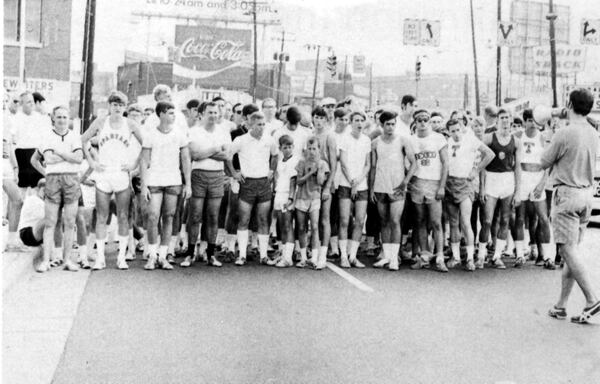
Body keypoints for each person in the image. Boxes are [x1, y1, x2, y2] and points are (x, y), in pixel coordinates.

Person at [544, 89, 600, 324]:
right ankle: (561, 305)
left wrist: (550, 133)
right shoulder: (593, 132)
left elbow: (543, 162)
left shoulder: (564, 133)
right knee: (572, 251)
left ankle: (592, 299)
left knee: (567, 250)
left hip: (566, 193)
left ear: (569, 104)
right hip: (586, 194)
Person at [81, 91, 143, 270]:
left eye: (120, 105)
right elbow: (82, 140)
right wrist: (92, 161)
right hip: (104, 173)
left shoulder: (130, 124)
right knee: (101, 216)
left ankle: (121, 257)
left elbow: (146, 145)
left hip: (121, 174)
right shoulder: (101, 122)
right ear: (109, 106)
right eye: (114, 104)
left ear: (124, 107)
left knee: (124, 216)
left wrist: (135, 166)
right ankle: (100, 258)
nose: (117, 108)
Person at [30, 105, 84, 272]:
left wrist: (60, 153)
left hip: (71, 179)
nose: (62, 120)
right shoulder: (46, 136)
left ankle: (67, 260)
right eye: (59, 117)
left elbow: (78, 158)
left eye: (64, 117)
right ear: (53, 118)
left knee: (69, 222)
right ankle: (46, 260)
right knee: (50, 222)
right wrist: (46, 171)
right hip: (53, 179)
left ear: (69, 119)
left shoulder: (74, 136)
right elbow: (45, 159)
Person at [140, 101, 191, 270]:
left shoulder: (179, 134)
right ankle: (152, 255)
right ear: (161, 114)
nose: (173, 116)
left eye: (173, 113)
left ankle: (163, 256)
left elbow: (185, 160)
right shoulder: (150, 135)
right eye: (169, 113)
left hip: (173, 180)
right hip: (154, 180)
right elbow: (144, 160)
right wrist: (144, 185)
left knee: (169, 217)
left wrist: (188, 184)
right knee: (153, 216)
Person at [182, 102, 231, 268]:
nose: (213, 116)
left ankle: (210, 254)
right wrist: (215, 149)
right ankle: (190, 253)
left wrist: (207, 153)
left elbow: (226, 156)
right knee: (195, 215)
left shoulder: (223, 132)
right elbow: (194, 155)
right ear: (202, 114)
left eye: (216, 113)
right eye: (210, 112)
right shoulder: (194, 131)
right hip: (199, 175)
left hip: (217, 176)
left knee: (213, 216)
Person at [369, 111, 417, 270]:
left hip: (397, 188)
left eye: (393, 124)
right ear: (381, 125)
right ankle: (386, 256)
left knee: (395, 221)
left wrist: (405, 182)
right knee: (383, 222)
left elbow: (413, 163)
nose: (391, 127)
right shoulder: (375, 142)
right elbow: (373, 167)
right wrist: (371, 190)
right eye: (387, 124)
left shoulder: (403, 140)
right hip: (380, 187)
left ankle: (394, 259)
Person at [445, 119, 494, 271]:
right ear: (449, 132)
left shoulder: (470, 140)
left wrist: (476, 170)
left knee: (465, 222)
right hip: (450, 182)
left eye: (457, 130)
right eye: (452, 131)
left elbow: (489, 154)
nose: (455, 133)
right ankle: (456, 256)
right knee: (453, 222)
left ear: (463, 128)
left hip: (465, 183)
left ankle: (471, 258)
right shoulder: (447, 142)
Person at [230, 111, 278, 265]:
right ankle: (242, 255)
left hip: (263, 183)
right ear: (250, 124)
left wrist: (271, 170)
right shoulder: (240, 140)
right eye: (258, 124)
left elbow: (275, 155)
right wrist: (234, 173)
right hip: (247, 183)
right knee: (244, 219)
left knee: (263, 220)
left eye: (263, 124)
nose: (261, 127)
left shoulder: (269, 139)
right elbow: (227, 156)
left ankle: (263, 256)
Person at [478, 109, 523, 269]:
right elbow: (482, 164)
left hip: (507, 181)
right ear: (497, 120)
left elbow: (517, 167)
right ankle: (481, 255)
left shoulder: (516, 141)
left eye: (507, 117)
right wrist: (482, 187)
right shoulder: (489, 138)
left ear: (511, 120)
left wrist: (518, 192)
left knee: (505, 219)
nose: (505, 120)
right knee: (487, 220)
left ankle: (497, 255)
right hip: (491, 179)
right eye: (502, 117)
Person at [408, 109, 449, 272]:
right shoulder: (411, 140)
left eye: (426, 120)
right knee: (420, 221)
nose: (423, 123)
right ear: (415, 123)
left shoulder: (438, 138)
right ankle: (424, 256)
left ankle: (439, 257)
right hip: (417, 183)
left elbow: (446, 163)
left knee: (436, 222)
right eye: (419, 120)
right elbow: (409, 162)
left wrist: (442, 186)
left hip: (434, 183)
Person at [513, 108, 555, 269]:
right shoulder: (517, 137)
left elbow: (548, 163)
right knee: (520, 218)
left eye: (535, 121)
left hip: (537, 178)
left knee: (543, 218)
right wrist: (517, 187)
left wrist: (542, 183)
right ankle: (519, 254)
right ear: (524, 122)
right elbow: (515, 163)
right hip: (522, 177)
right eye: (529, 120)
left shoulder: (543, 138)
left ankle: (547, 256)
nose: (532, 124)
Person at [337, 111, 371, 268]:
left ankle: (352, 256)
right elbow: (343, 163)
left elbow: (368, 165)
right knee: (344, 220)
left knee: (359, 220)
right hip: (345, 184)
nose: (359, 123)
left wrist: (358, 182)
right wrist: (352, 182)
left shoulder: (366, 140)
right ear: (351, 122)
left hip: (361, 185)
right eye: (356, 120)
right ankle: (343, 255)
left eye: (361, 120)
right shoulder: (344, 138)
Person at [294, 137, 330, 269]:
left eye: (314, 148)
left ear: (319, 149)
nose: (312, 151)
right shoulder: (301, 163)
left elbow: (321, 182)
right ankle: (303, 257)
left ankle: (314, 257)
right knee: (302, 227)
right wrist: (311, 173)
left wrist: (319, 170)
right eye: (309, 149)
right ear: (306, 150)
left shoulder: (323, 164)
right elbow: (299, 181)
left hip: (315, 198)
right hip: (301, 197)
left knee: (315, 226)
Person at [311, 107, 337, 266]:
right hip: (311, 183)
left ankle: (323, 254)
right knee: (313, 220)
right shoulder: (310, 136)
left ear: (326, 120)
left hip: (326, 181)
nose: (319, 120)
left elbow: (334, 165)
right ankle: (314, 251)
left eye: (322, 118)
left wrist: (327, 187)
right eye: (316, 117)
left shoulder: (330, 137)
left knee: (325, 219)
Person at [272, 135, 299, 268]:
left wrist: (291, 199)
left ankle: (288, 258)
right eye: (285, 147)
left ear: (293, 147)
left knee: (288, 225)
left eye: (290, 147)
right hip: (279, 194)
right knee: (282, 225)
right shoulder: (280, 160)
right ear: (280, 148)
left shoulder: (295, 161)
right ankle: (284, 255)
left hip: (287, 195)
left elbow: (293, 181)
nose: (288, 149)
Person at [3, 93, 25, 252]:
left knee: (17, 200)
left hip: (5, 167)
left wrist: (15, 168)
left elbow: (9, 146)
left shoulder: (6, 120)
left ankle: (11, 240)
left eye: (4, 100)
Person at [17, 179, 46, 264]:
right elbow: (44, 217)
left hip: (35, 232)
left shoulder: (42, 201)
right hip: (26, 233)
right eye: (44, 190)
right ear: (38, 189)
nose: (46, 193)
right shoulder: (33, 199)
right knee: (50, 218)